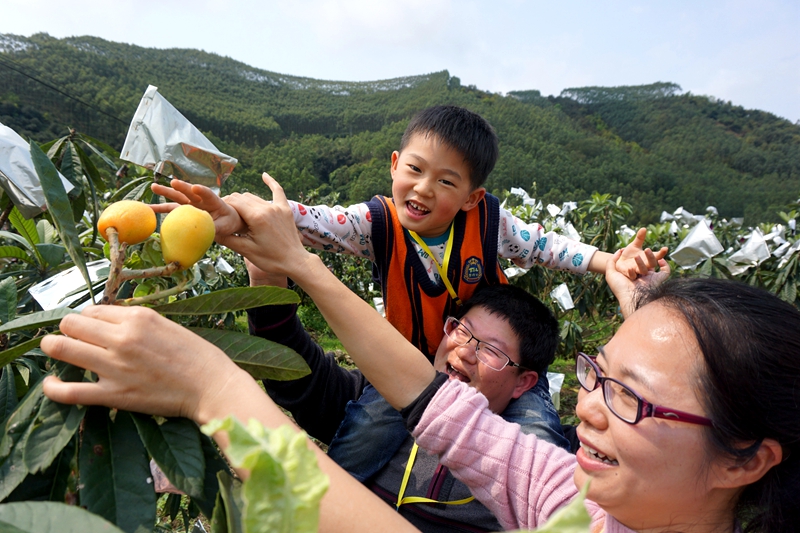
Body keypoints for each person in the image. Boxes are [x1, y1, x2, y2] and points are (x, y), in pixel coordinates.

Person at [42, 176, 799, 532]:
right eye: (597, 374)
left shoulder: (550, 475)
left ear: (746, 459)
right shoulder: (582, 501)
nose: (589, 407)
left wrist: (216, 391)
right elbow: (436, 404)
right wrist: (293, 262)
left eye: (629, 395)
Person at [152, 105, 667, 358]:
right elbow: (311, 221)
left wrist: (606, 261)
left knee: (534, 434)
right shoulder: (373, 223)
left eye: (446, 181)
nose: (422, 189)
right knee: (365, 446)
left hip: (486, 365)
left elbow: (550, 248)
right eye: (415, 170)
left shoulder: (491, 225)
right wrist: (246, 213)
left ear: (471, 197)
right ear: (395, 164)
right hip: (409, 367)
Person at [248, 263, 563, 531]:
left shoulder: (534, 474)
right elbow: (296, 376)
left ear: (524, 382)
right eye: (462, 331)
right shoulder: (378, 403)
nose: (465, 351)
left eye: (491, 350)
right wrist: (266, 277)